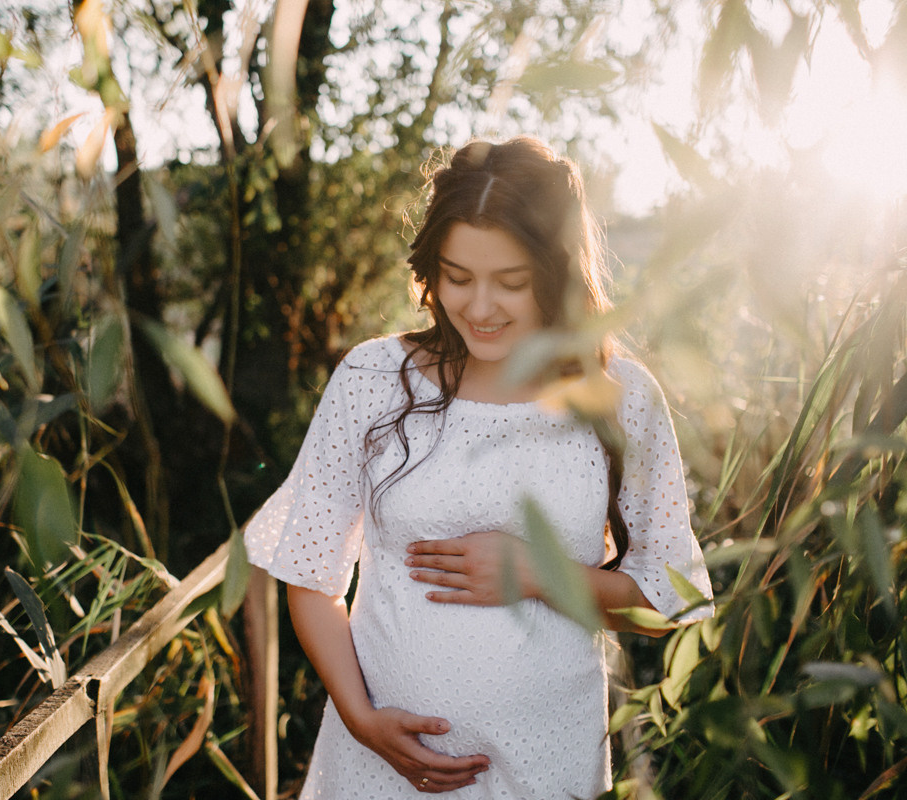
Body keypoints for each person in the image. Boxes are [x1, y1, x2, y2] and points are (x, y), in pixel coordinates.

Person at [243, 137, 713, 798]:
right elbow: (311, 574)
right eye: (457, 276)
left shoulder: (620, 397)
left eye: (511, 282)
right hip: (375, 769)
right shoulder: (373, 379)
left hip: (547, 769)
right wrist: (361, 718)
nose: (480, 307)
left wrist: (541, 574)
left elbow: (667, 601)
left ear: (557, 273)